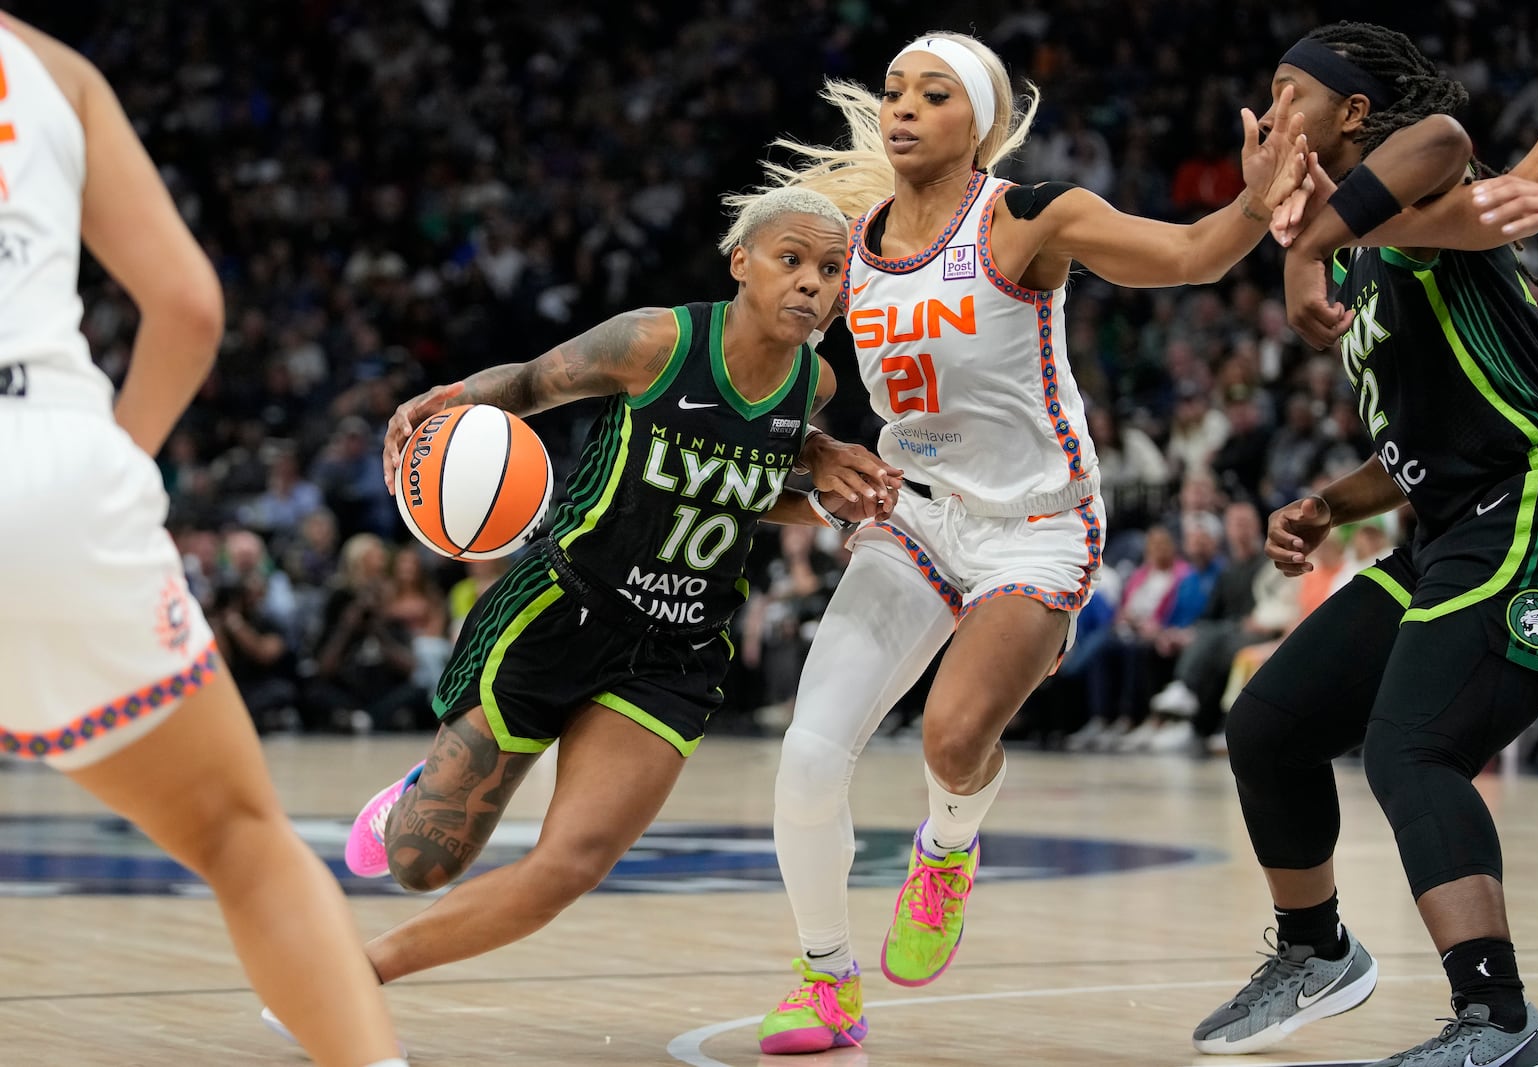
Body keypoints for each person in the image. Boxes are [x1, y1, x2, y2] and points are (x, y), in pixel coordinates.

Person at [726, 30, 1310, 1054]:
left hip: (1036, 525)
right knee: (809, 757)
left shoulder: (1029, 217)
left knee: (953, 738)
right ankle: (825, 979)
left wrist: (1255, 204)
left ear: (979, 124)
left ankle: (946, 847)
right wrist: (815, 449)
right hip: (913, 515)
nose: (902, 108)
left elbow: (1185, 256)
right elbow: (762, 375)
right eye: (895, 91)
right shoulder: (847, 243)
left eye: (933, 94)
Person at [289, 188, 897, 1023]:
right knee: (420, 863)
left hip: (676, 653)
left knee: (569, 862)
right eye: (791, 261)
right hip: (561, 611)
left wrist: (826, 493)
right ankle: (412, 792)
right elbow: (533, 383)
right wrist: (447, 398)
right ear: (741, 263)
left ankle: (348, 980)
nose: (811, 284)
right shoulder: (655, 341)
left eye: (830, 270)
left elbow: (743, 488)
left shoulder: (815, 382)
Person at [0, 13, 404, 1067]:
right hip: (51, 456)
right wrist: (107, 470)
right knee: (242, 840)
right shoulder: (54, 68)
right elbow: (185, 303)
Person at [1192, 22, 1538, 1067]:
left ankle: (1499, 1020)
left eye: (1290, 92)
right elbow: (1422, 439)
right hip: (1451, 519)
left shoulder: (1409, 203)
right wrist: (1331, 498)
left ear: (1353, 114)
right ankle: (1316, 949)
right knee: (1269, 722)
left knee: (1414, 746)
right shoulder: (1364, 243)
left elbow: (1450, 135)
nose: (1271, 111)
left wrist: (1310, 240)